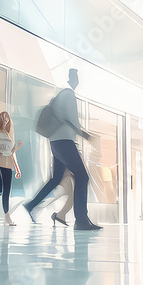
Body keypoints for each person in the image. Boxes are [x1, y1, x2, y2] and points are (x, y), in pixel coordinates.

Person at [23, 69, 102, 231]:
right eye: (75, 77)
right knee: (82, 177)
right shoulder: (68, 94)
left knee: (56, 178)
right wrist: (85, 135)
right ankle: (81, 220)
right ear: (70, 79)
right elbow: (72, 119)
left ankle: (31, 204)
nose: (77, 80)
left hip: (57, 142)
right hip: (64, 142)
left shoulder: (60, 95)